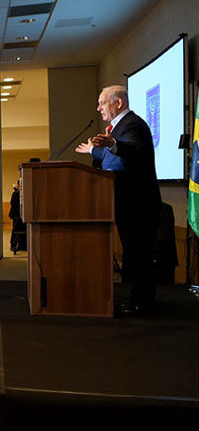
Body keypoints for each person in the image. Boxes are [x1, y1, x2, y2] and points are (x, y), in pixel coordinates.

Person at [75, 85, 161, 314]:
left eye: (102, 102)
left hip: (138, 203)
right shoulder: (119, 127)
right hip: (127, 202)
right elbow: (116, 156)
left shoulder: (132, 124)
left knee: (139, 255)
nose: (98, 108)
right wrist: (94, 151)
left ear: (118, 103)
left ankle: (142, 303)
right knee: (133, 254)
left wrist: (112, 143)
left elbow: (134, 149)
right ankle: (137, 300)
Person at [8, 182, 26, 254]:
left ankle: (13, 244)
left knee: (15, 229)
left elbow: (12, 203)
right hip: (19, 214)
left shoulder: (16, 193)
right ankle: (20, 245)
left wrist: (15, 189)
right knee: (21, 229)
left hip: (16, 214)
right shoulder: (21, 193)